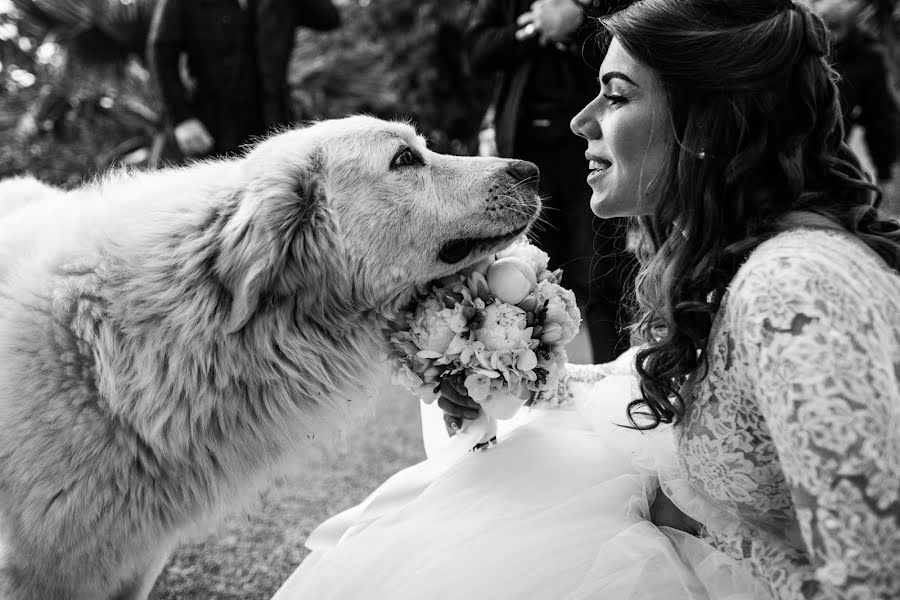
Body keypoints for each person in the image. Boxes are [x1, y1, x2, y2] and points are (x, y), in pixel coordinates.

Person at [271, 1, 900, 598]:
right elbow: (658, 392)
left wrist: (712, 531)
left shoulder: (793, 293)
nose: (582, 119)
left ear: (707, 121)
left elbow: (876, 580)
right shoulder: (729, 258)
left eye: (618, 95)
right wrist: (510, 370)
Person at [465, 0, 635, 363]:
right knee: (532, 279)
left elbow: (632, 42)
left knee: (603, 275)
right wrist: (534, 29)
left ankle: (618, 387)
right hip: (528, 156)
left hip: (594, 145)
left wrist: (576, 22)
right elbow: (479, 53)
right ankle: (545, 387)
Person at [148, 0, 340, 159]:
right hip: (213, 127)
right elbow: (161, 52)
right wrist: (182, 119)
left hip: (274, 124)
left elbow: (329, 19)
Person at [814, 0, 900, 212]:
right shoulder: (791, 41)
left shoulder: (868, 54)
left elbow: (880, 117)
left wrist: (885, 174)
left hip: (827, 166)